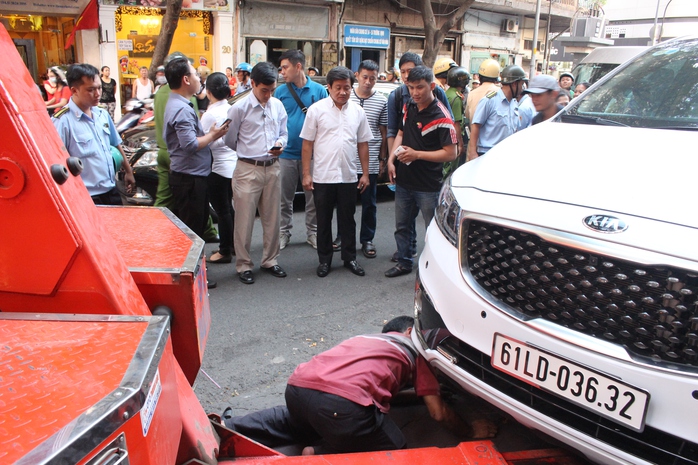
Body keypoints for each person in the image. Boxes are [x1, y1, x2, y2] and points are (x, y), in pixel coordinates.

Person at [223, 316, 497, 455]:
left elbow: (379, 390)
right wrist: (470, 430)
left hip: (298, 389)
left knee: (293, 422)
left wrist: (414, 397)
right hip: (339, 406)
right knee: (395, 448)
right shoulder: (414, 349)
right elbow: (438, 413)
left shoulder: (366, 342)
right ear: (408, 331)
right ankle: (318, 454)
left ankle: (229, 428)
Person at [385, 66, 457, 278]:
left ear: (432, 86)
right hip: (404, 180)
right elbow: (400, 132)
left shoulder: (442, 116)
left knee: (433, 229)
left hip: (428, 184)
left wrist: (417, 155)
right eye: (411, 87)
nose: (415, 92)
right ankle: (405, 262)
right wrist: (391, 160)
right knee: (402, 225)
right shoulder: (409, 106)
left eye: (420, 87)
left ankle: (435, 269)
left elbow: (451, 153)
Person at [300, 66, 371, 278]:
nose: (343, 92)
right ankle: (324, 260)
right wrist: (306, 173)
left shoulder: (358, 111)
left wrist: (365, 173)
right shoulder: (316, 110)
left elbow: (363, 144)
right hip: (323, 176)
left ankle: (350, 258)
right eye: (338, 87)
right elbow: (307, 144)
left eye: (347, 88)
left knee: (348, 219)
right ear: (329, 87)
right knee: (323, 220)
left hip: (348, 176)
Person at [224, 62, 288, 285]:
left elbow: (283, 133)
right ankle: (243, 264)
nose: (268, 95)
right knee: (244, 219)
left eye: (272, 90)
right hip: (247, 169)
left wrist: (280, 143)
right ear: (252, 83)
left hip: (272, 167)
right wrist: (249, 154)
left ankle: (270, 260)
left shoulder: (277, 106)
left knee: (272, 218)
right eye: (264, 90)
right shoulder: (239, 108)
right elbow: (229, 140)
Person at [152, 52, 220, 243]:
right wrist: (213, 135)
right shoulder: (181, 108)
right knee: (192, 229)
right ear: (186, 79)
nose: (199, 78)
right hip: (189, 177)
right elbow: (190, 145)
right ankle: (191, 269)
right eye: (196, 75)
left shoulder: (174, 100)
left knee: (193, 222)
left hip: (187, 172)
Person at [52, 63, 135, 205]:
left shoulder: (102, 113)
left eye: (99, 88)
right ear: (75, 90)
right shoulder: (62, 121)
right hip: (87, 197)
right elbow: (56, 162)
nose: (97, 94)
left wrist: (128, 171)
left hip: (111, 190)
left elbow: (116, 143)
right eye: (91, 90)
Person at [276, 49, 327, 250]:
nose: (282, 72)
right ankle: (283, 233)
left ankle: (312, 233)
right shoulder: (280, 92)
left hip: (313, 155)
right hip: (286, 154)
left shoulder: (319, 91)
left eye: (285, 67)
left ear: (299, 67)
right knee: (284, 199)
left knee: (313, 199)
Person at [351, 60, 388, 259]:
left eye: (372, 78)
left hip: (371, 161)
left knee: (369, 204)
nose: (368, 82)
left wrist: (383, 159)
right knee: (346, 203)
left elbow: (384, 132)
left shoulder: (382, 101)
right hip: (346, 161)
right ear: (357, 75)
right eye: (365, 77)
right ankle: (343, 236)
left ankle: (367, 239)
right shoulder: (345, 96)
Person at [202, 72, 237, 264]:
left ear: (208, 92)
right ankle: (231, 245)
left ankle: (225, 250)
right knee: (229, 209)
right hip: (233, 164)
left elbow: (203, 142)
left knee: (222, 210)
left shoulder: (210, 115)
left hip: (217, 166)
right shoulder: (232, 108)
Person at [468, 65, 527, 161]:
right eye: (521, 84)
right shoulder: (489, 100)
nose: (522, 88)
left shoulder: (514, 103)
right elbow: (476, 125)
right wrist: (473, 152)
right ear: (514, 84)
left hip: (506, 155)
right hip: (487, 154)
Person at [443, 66, 470, 175]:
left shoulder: (448, 93)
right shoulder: (456, 98)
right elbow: (456, 124)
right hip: (452, 139)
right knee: (451, 170)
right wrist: (460, 143)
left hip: (445, 137)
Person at [464, 59, 500, 129]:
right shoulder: (499, 92)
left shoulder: (471, 93)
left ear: (479, 78)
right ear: (496, 78)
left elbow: (467, 115)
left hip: (474, 136)